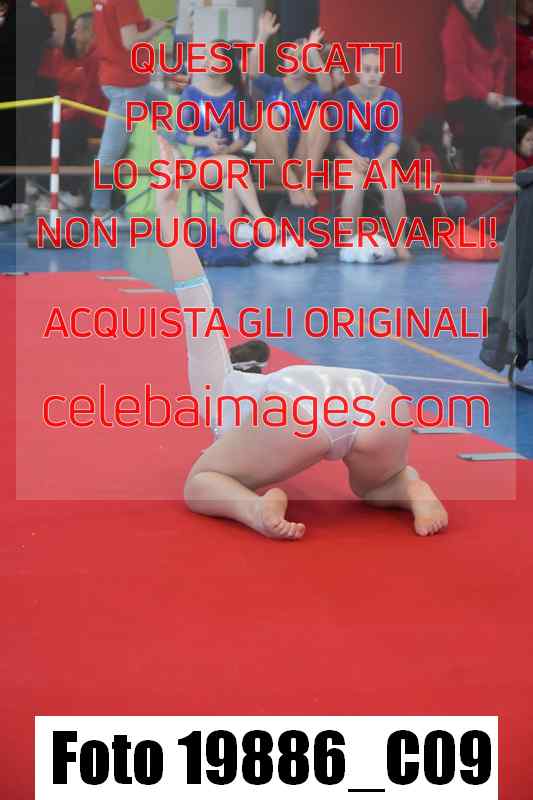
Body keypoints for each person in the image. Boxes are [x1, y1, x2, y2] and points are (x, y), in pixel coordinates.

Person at [155, 137, 448, 540]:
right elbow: (197, 299)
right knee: (374, 488)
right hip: (377, 396)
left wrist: (167, 208)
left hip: (297, 415)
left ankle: (255, 509)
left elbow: (194, 296)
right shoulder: (264, 383)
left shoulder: (217, 391)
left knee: (199, 482)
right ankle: (409, 486)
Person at [170, 45, 272, 241]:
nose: (207, 59)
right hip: (201, 165)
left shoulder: (237, 94)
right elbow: (178, 134)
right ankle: (261, 220)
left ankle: (230, 236)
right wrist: (206, 141)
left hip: (229, 163)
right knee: (237, 166)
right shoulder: (191, 93)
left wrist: (228, 149)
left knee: (231, 178)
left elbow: (244, 137)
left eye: (213, 56)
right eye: (205, 55)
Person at [90, 0, 172, 223]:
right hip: (126, 85)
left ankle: (172, 155)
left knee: (160, 102)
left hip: (121, 79)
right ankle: (100, 211)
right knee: (110, 153)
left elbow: (115, 29)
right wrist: (156, 29)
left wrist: (144, 24)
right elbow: (130, 41)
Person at [333, 48, 411, 261]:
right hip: (350, 157)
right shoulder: (342, 98)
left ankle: (400, 243)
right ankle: (349, 244)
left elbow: (394, 142)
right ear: (357, 71)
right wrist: (354, 159)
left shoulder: (392, 98)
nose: (373, 74)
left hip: (381, 158)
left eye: (377, 70)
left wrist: (379, 162)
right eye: (367, 69)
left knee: (392, 186)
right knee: (355, 185)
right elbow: (338, 142)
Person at [249, 11, 332, 207]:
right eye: (291, 57)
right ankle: (292, 185)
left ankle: (307, 184)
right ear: (283, 61)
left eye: (301, 59)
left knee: (321, 114)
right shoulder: (273, 85)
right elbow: (252, 71)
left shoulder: (313, 91)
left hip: (301, 168)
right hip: (271, 167)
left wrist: (313, 52)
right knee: (269, 115)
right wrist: (262, 35)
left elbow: (327, 88)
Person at [42, 13, 108, 210]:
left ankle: (72, 191)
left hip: (98, 120)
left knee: (63, 134)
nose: (72, 36)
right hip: (89, 116)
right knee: (53, 130)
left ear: (90, 32)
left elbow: (89, 100)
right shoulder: (89, 56)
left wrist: (61, 116)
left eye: (77, 31)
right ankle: (58, 189)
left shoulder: (96, 57)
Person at [441, 0, 510, 174]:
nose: (474, 2)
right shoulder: (453, 26)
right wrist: (486, 96)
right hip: (461, 100)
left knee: (515, 122)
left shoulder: (487, 22)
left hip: (490, 98)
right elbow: (458, 72)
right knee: (494, 129)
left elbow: (501, 61)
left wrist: (498, 91)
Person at [468, 115, 533, 238]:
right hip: (497, 228)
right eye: (528, 140)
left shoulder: (488, 158)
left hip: (474, 226)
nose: (532, 144)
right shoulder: (515, 162)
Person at [409, 116, 468, 225]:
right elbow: (441, 189)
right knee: (461, 203)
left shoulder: (431, 154)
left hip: (431, 203)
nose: (451, 135)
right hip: (429, 205)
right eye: (446, 132)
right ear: (437, 134)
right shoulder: (428, 156)